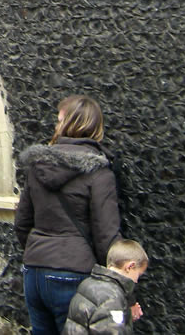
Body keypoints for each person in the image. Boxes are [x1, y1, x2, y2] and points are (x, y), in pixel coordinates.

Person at [14, 95, 123, 335]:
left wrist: (40, 250)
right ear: (95, 127)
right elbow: (106, 235)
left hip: (35, 269)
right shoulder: (99, 172)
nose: (56, 125)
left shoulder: (38, 166)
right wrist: (121, 285)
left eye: (58, 120)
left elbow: (22, 223)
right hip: (74, 271)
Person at [62, 239, 147, 334]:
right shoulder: (111, 296)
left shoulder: (88, 283)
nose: (136, 281)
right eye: (138, 274)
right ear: (130, 267)